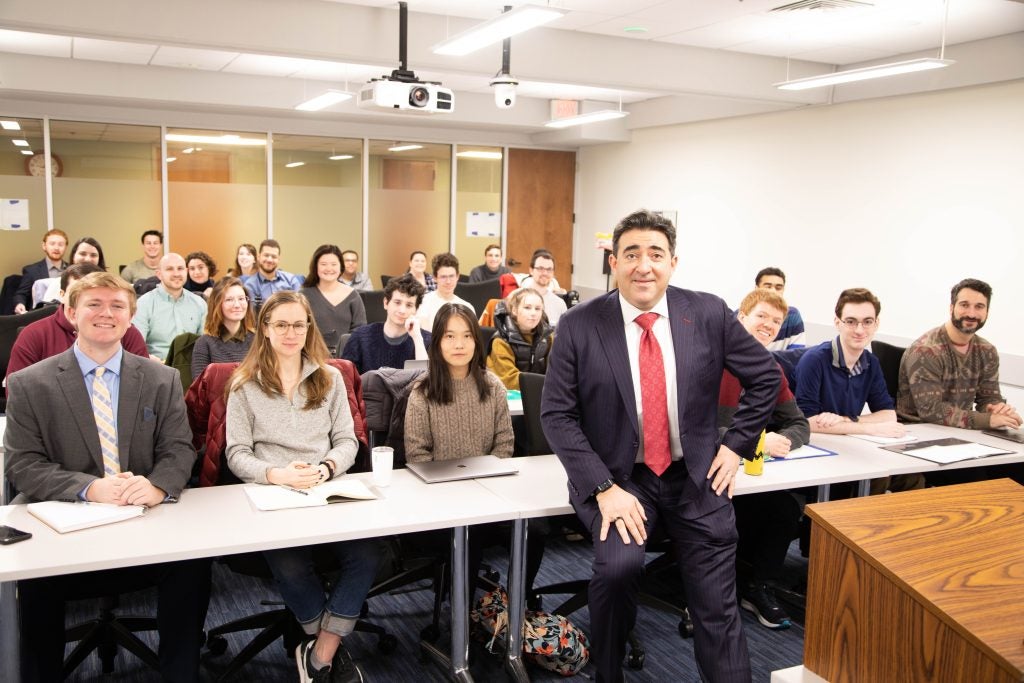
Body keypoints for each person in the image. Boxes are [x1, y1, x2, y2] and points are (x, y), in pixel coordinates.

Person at [541, 209, 779, 683]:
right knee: (617, 570)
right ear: (613, 262)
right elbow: (556, 415)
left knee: (717, 603)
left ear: (673, 262)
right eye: (631, 254)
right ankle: (607, 674)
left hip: (695, 475)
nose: (643, 265)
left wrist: (736, 446)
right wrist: (604, 488)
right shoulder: (580, 324)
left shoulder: (707, 312)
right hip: (619, 478)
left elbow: (766, 377)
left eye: (655, 254)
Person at [4, 271, 210, 683]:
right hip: (65, 526)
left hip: (143, 521)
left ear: (131, 317)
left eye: (117, 306)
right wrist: (87, 487)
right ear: (70, 313)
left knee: (193, 564)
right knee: (37, 584)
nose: (106, 313)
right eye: (94, 304)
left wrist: (156, 486)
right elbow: (23, 464)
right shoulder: (30, 384)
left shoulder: (160, 378)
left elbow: (179, 449)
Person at [225, 291, 380, 683]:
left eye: (298, 324)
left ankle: (320, 649)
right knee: (290, 563)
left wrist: (327, 468)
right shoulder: (244, 384)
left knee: (367, 553)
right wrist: (277, 474)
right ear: (265, 329)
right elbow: (236, 454)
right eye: (281, 324)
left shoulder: (329, 377)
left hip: (326, 490)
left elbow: (348, 440)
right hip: (275, 494)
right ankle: (328, 648)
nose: (291, 332)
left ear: (308, 327)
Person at [724, 289, 809, 630]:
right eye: (762, 316)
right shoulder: (712, 359)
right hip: (705, 471)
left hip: (748, 472)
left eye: (776, 322)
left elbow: (799, 423)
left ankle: (759, 586)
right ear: (742, 316)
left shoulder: (770, 369)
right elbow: (695, 429)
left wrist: (785, 439)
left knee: (785, 509)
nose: (769, 325)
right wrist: (758, 439)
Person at [795, 288, 923, 494]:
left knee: (911, 477)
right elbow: (806, 422)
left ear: (876, 324)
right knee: (875, 479)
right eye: (851, 321)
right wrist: (869, 428)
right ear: (837, 323)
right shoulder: (815, 360)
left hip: (849, 445)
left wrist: (844, 421)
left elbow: (888, 415)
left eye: (867, 322)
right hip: (819, 452)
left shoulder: (870, 362)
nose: (859, 330)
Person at [897, 278, 1021, 431]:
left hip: (961, 431)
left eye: (979, 307)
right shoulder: (926, 350)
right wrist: (988, 420)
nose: (971, 313)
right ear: (951, 308)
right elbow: (931, 411)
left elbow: (988, 397)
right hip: (918, 430)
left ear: (987, 312)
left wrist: (996, 410)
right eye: (964, 305)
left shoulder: (987, 351)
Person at [6, 263, 149, 382]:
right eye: (77, 292)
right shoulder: (34, 335)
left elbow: (145, 385)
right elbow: (19, 394)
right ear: (61, 295)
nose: (105, 313)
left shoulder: (126, 331)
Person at [341, 274, 429, 374]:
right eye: (397, 302)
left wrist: (417, 339)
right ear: (386, 303)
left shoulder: (426, 340)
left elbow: (427, 382)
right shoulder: (360, 337)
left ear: (416, 309)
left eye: (409, 305)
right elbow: (346, 380)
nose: (402, 310)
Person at [132, 253, 207, 360]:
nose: (176, 273)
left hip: (191, 368)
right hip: (156, 368)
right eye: (169, 269)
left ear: (186, 272)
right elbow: (136, 349)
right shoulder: (144, 304)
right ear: (159, 274)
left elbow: (205, 345)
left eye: (180, 268)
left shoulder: (200, 303)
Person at [301, 244, 367, 356]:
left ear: (341, 267)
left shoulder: (353, 295)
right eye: (323, 264)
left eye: (333, 264)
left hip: (346, 358)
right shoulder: (303, 295)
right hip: (311, 357)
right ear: (316, 267)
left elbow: (360, 332)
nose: (329, 268)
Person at [487, 287, 553, 391]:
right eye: (527, 307)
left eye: (538, 308)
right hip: (510, 398)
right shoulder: (501, 341)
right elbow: (509, 380)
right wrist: (546, 385)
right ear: (514, 310)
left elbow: (557, 371)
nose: (533, 313)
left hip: (541, 393)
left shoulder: (548, 337)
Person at [191, 276, 255, 379]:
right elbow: (201, 388)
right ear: (217, 304)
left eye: (241, 299)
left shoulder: (257, 340)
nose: (237, 305)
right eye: (229, 300)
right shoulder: (204, 343)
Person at [31, 236, 107, 308]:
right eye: (82, 254)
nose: (87, 259)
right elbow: (48, 313)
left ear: (99, 259)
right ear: (73, 256)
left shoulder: (108, 284)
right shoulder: (58, 283)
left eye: (93, 255)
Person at [13, 228, 67, 314]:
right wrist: (19, 304)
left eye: (61, 244)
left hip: (66, 314)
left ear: (66, 247)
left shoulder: (72, 270)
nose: (56, 248)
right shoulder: (31, 270)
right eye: (52, 244)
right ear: (44, 246)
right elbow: (21, 294)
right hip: (40, 315)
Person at [415, 252, 475, 331]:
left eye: (451, 276)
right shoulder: (422, 303)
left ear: (457, 276)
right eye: (443, 277)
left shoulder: (467, 307)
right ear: (435, 278)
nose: (448, 282)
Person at [754, 267, 805, 350]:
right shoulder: (740, 316)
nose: (773, 291)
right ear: (756, 289)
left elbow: (796, 354)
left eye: (778, 288)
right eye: (768, 287)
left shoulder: (792, 316)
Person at [243, 238, 302, 309]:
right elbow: (251, 315)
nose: (269, 260)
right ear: (259, 257)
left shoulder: (291, 280)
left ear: (279, 259)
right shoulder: (250, 285)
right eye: (266, 255)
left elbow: (300, 306)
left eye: (274, 257)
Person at [521, 249, 567, 325]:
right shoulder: (518, 299)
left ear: (553, 273)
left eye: (549, 269)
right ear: (531, 270)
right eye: (540, 268)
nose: (545, 273)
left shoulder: (560, 304)